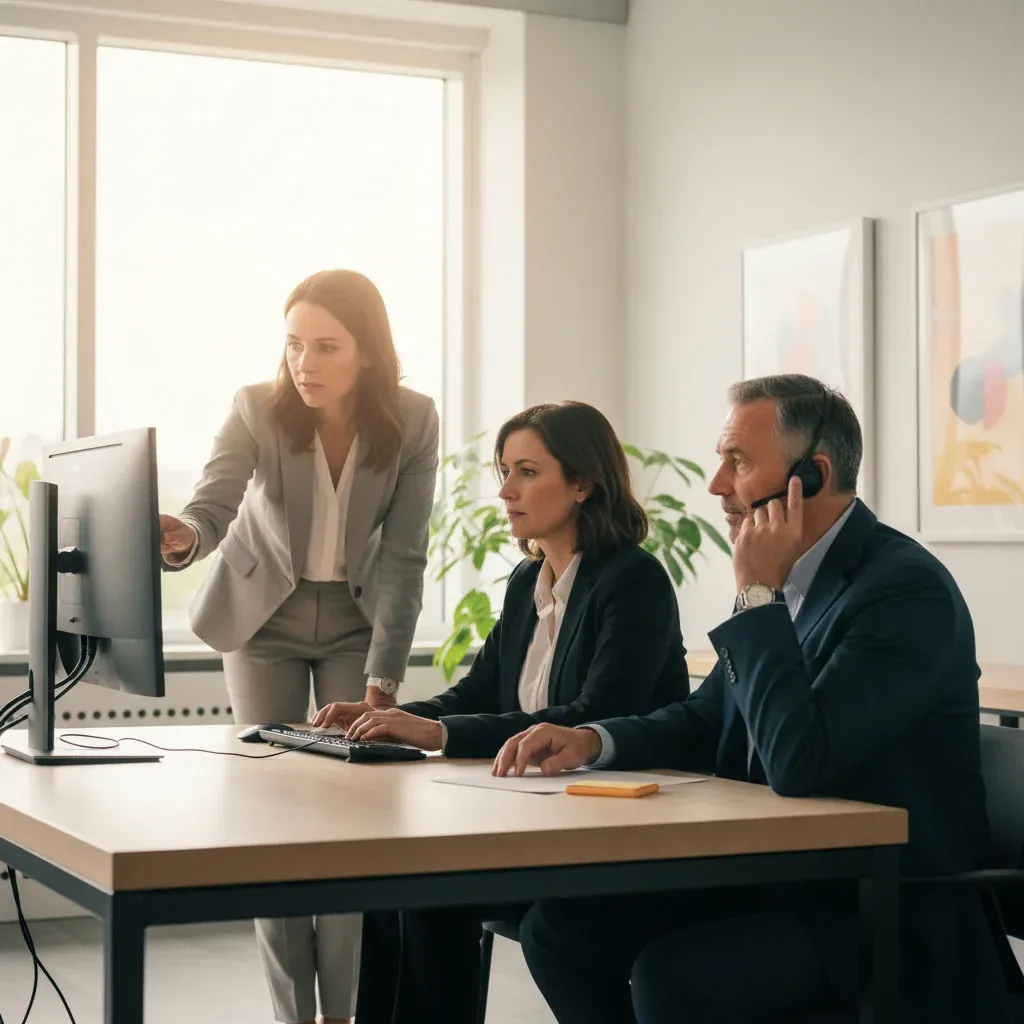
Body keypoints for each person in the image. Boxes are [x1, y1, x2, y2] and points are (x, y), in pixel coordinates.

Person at [495, 374, 1016, 1024]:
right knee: (560, 935)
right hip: (777, 883)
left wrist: (758, 596)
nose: (716, 484)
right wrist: (595, 741)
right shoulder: (786, 583)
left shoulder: (905, 594)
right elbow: (708, 715)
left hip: (882, 913)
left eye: (736, 462)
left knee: (675, 976)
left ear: (813, 476)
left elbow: (799, 759)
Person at [314, 400, 691, 1024]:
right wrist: (394, 716)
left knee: (430, 888)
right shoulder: (527, 579)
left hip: (612, 828)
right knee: (393, 880)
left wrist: (436, 731)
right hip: (538, 813)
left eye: (526, 472)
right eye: (504, 470)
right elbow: (478, 691)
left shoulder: (634, 579)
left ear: (582, 484)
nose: (505, 489)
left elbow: (596, 713)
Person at [159, 269, 439, 1024]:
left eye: (324, 346)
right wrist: (185, 538)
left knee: (352, 817)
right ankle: (292, 1014)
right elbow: (212, 505)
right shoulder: (258, 407)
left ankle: (342, 1013)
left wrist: (384, 681)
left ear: (368, 353)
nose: (303, 364)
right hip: (263, 621)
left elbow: (407, 556)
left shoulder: (413, 420)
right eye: (292, 345)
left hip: (353, 617)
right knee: (272, 817)